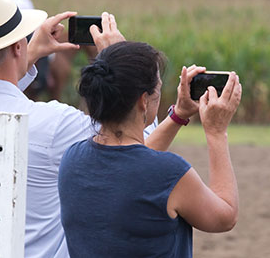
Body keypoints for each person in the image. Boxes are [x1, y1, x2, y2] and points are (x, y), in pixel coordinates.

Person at [0, 0, 185, 258]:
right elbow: (138, 150)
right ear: (18, 45)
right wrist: (121, 67)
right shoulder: (54, 124)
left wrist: (30, 53)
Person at [58, 41, 242, 257]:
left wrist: (178, 115)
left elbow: (131, 166)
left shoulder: (72, 160)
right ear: (144, 101)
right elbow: (225, 215)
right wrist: (216, 132)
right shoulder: (168, 174)